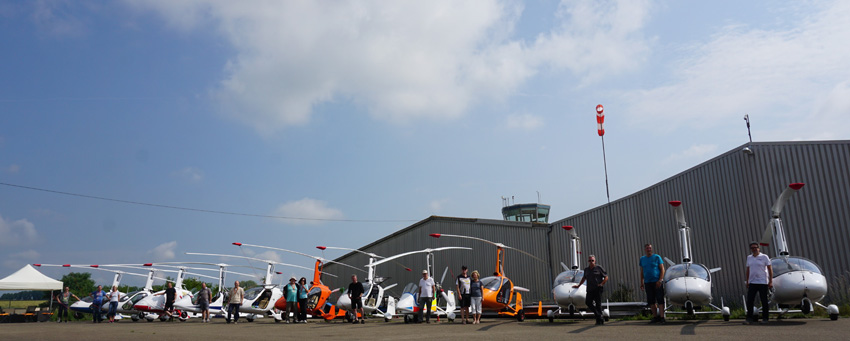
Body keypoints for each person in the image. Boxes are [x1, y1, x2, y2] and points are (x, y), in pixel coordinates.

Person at [574, 255, 608, 325]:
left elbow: (606, 277)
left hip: (597, 288)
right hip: (589, 289)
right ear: (588, 261)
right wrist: (578, 285)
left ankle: (599, 320)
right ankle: (599, 315)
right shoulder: (586, 270)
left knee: (598, 304)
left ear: (595, 261)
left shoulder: (599, 268)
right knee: (588, 302)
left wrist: (601, 284)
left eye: (592, 260)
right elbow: (584, 278)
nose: (591, 262)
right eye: (590, 260)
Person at [744, 242, 773, 325]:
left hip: (762, 282)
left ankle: (765, 318)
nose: (754, 249)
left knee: (764, 300)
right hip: (752, 282)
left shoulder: (764, 257)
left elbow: (770, 269)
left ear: (759, 248)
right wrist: (747, 280)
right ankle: (749, 318)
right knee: (750, 300)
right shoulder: (749, 258)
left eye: (755, 247)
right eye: (752, 248)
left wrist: (770, 281)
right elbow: (748, 270)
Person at [639, 243, 666, 324]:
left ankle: (662, 317)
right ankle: (655, 317)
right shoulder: (642, 259)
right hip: (648, 282)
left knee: (660, 299)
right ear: (645, 249)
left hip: (656, 282)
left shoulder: (657, 257)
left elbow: (662, 269)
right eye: (647, 248)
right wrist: (642, 282)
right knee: (651, 300)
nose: (649, 249)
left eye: (650, 248)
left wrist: (660, 280)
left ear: (651, 249)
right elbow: (642, 271)